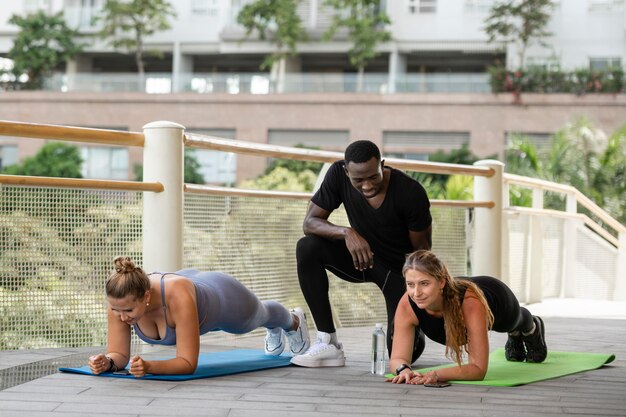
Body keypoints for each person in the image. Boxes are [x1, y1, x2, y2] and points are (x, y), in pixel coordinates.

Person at [292, 140, 432, 368]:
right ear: (347, 172)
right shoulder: (337, 174)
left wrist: (413, 300)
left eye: (373, 177)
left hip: (398, 271)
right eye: (358, 180)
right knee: (307, 247)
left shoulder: (410, 192)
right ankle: (328, 342)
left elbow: (422, 253)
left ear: (382, 165)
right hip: (360, 259)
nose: (366, 186)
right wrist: (346, 233)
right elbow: (310, 223)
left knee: (401, 356)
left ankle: (415, 330)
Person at [88, 256, 310, 377]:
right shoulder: (120, 301)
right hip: (190, 294)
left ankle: (293, 321)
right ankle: (276, 327)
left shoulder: (177, 297)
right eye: (117, 310)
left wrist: (150, 366)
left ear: (146, 296)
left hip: (222, 297)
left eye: (128, 311)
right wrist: (106, 362)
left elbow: (187, 363)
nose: (122, 317)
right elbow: (118, 355)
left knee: (260, 315)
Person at [386, 250, 547, 385]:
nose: (416, 293)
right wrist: (404, 369)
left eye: (425, 283)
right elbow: (398, 358)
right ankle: (515, 337)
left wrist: (436, 374)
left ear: (441, 282)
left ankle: (532, 326)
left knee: (515, 323)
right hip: (463, 293)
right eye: (410, 284)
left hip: (497, 299)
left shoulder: (470, 302)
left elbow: (478, 369)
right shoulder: (407, 304)